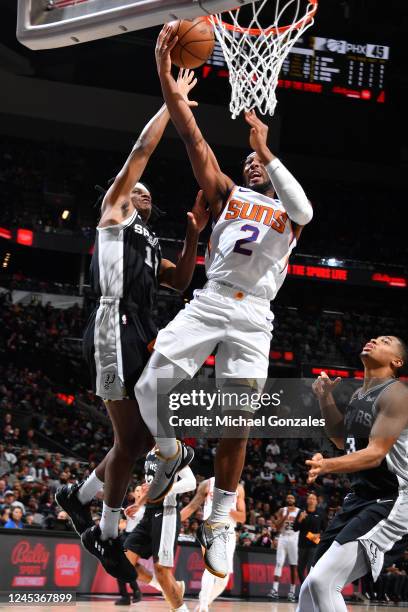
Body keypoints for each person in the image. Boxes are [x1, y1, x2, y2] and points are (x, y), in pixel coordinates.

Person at [134, 25, 313, 579]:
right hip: (211, 300)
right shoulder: (227, 193)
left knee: (235, 421)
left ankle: (219, 518)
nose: (253, 164)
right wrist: (169, 86)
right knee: (147, 386)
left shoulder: (289, 213)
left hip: (255, 316)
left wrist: (267, 149)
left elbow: (305, 210)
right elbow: (192, 139)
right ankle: (171, 454)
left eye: (262, 163)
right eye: (250, 161)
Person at [55, 70, 208, 581]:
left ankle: (80, 499)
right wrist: (172, 102)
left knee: (139, 442)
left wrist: (192, 237)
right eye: (133, 188)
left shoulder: (151, 239)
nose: (140, 191)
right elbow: (141, 151)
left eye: (145, 192)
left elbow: (182, 281)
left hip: (142, 326)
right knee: (130, 440)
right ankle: (107, 530)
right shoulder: (114, 214)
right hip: (113, 320)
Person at [297, 335, 408, 612]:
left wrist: (327, 466)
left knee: (324, 583)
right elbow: (339, 438)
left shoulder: (396, 393)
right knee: (311, 584)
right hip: (360, 498)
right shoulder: (361, 395)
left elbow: (375, 453)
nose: (374, 340)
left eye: (384, 341)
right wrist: (325, 398)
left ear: (397, 362)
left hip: (393, 500)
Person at [123, 447, 196, 612]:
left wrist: (163, 489)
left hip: (166, 513)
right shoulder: (149, 454)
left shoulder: (172, 450)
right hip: (149, 513)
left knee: (161, 570)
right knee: (125, 563)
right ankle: (170, 587)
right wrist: (139, 503)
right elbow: (150, 487)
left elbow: (191, 482)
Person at [180, 478, 246, 611]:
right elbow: (192, 506)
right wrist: (173, 520)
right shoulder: (208, 484)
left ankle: (205, 600)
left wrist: (226, 508)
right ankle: (203, 605)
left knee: (224, 578)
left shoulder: (238, 488)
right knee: (211, 569)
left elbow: (242, 517)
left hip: (229, 532)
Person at [116, 484, 146, 606]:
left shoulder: (147, 510)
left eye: (140, 490)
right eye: (136, 490)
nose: (138, 492)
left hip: (137, 539)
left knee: (124, 568)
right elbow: (122, 524)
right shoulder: (129, 507)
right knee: (119, 567)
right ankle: (130, 594)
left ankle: (132, 593)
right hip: (125, 537)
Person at [267, 493, 300, 602]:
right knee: (279, 563)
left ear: (295, 500)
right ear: (286, 499)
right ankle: (275, 590)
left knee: (293, 566)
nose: (290, 499)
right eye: (288, 497)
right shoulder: (282, 510)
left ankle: (292, 591)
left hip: (294, 539)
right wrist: (285, 516)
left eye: (292, 497)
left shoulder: (299, 511)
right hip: (283, 537)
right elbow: (276, 526)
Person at [293, 492, 325, 584]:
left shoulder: (320, 513)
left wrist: (319, 535)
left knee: (310, 568)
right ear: (307, 501)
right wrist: (300, 519)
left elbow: (326, 529)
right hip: (302, 544)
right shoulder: (302, 512)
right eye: (309, 498)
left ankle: (308, 589)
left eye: (313, 499)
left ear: (316, 502)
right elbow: (295, 528)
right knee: (300, 569)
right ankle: (304, 586)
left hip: (314, 544)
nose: (311, 500)